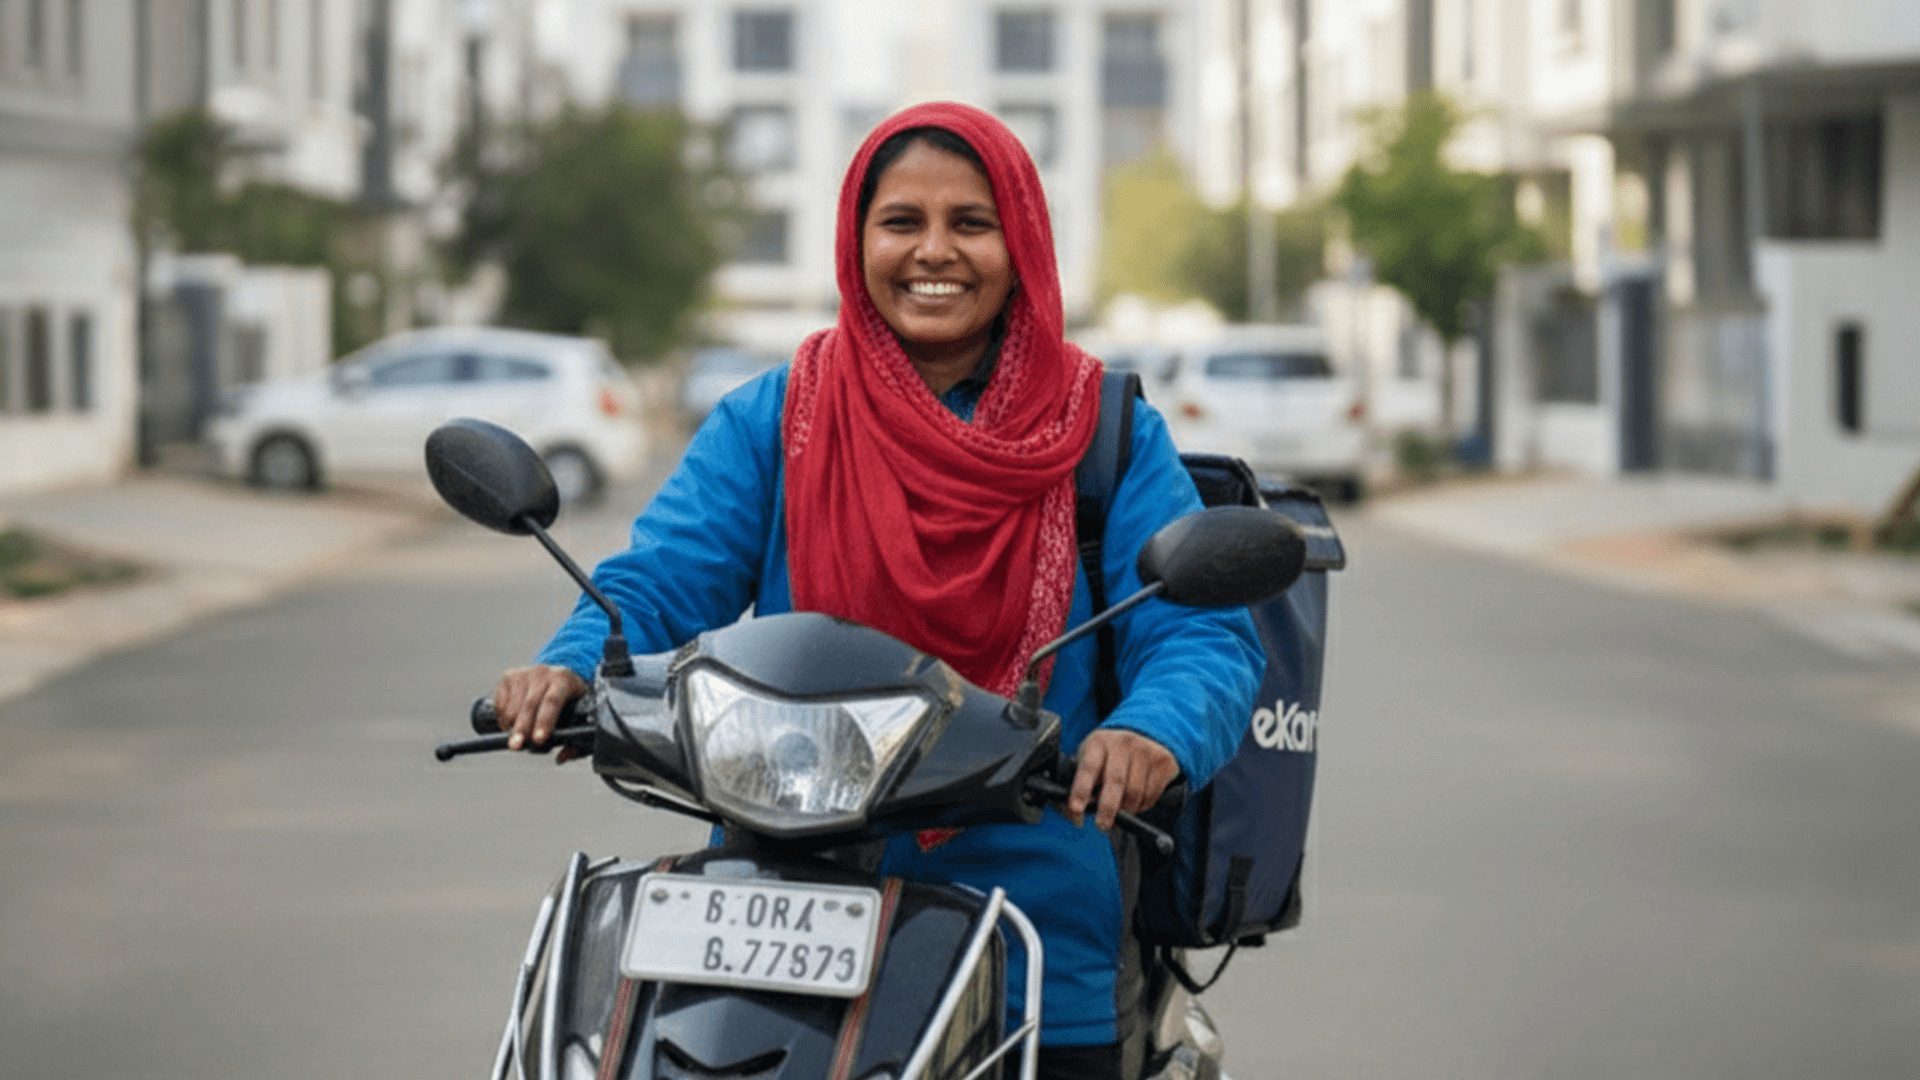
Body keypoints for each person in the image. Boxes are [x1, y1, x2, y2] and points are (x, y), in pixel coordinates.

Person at [491, 102, 1262, 1080]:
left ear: (1019, 241)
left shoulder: (1101, 435)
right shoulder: (777, 415)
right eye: (901, 222)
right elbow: (659, 577)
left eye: (970, 224)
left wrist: (1151, 730)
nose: (933, 252)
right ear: (858, 242)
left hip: (1025, 889)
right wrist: (567, 667)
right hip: (778, 885)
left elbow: (1197, 631)